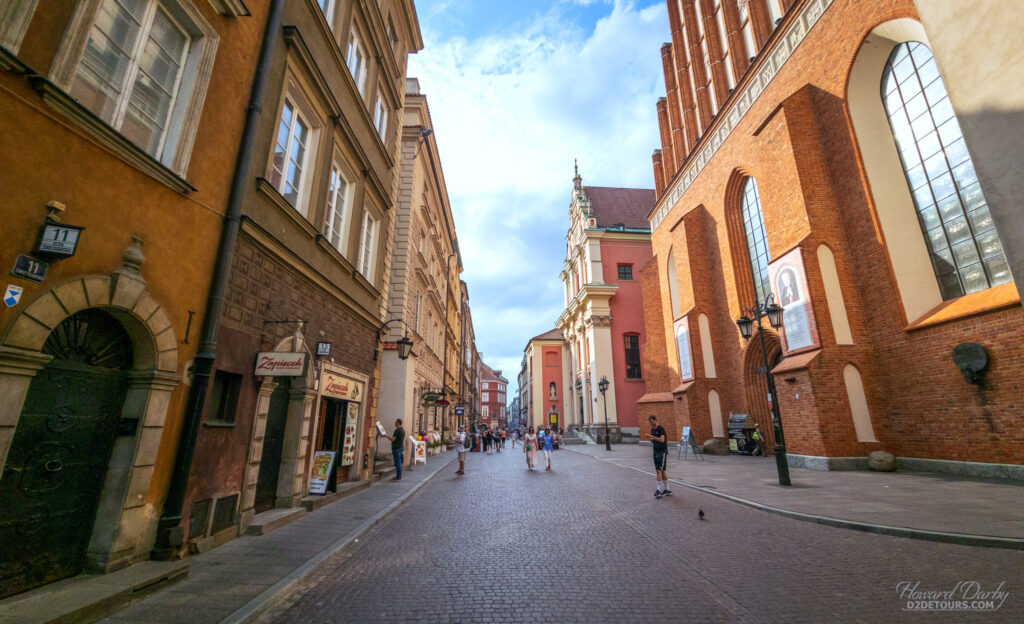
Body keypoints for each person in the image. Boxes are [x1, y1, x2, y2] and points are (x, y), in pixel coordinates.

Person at [645, 415, 671, 498]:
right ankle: (668, 489)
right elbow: (655, 440)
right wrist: (651, 440)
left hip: (662, 452)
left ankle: (658, 490)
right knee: (662, 471)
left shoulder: (661, 429)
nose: (651, 424)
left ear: (655, 420)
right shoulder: (652, 429)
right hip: (655, 451)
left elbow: (662, 440)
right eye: (650, 422)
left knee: (659, 471)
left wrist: (652, 437)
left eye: (651, 422)